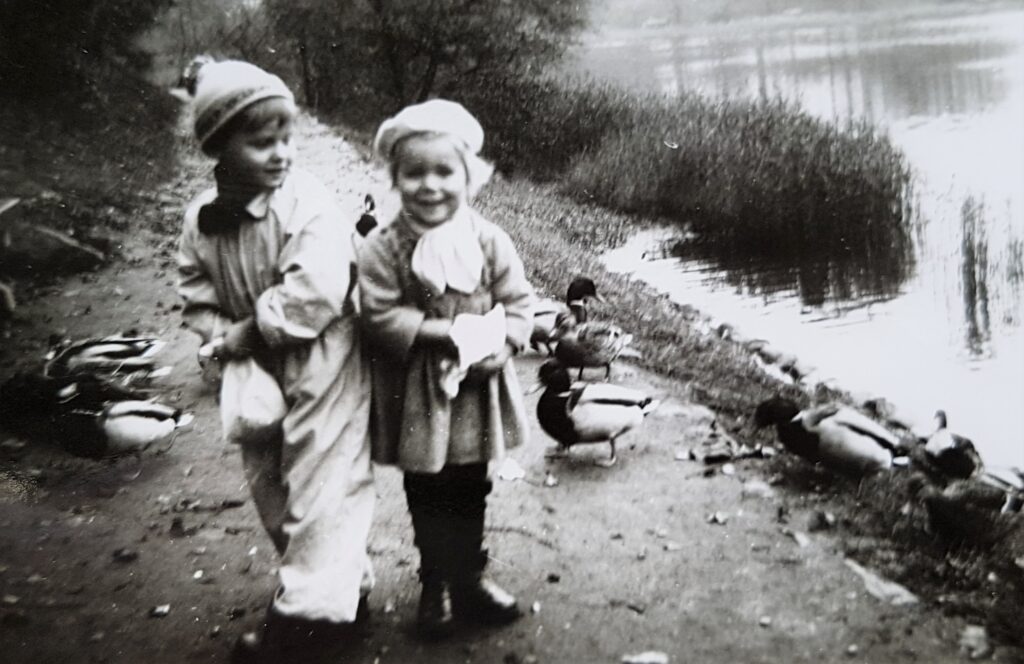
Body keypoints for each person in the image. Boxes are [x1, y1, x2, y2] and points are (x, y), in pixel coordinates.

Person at [176, 60, 374, 662]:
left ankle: (307, 616)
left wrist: (252, 328)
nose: (281, 153)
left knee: (323, 480)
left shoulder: (306, 202)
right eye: (263, 142)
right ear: (219, 145)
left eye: (287, 138)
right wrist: (218, 334)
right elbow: (195, 289)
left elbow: (317, 288)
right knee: (269, 481)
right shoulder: (202, 219)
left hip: (323, 358)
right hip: (255, 369)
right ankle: (343, 589)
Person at [357, 99, 533, 640]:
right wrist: (447, 332)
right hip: (419, 392)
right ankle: (435, 581)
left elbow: (519, 302)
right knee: (428, 486)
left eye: (444, 172)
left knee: (470, 483)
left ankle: (468, 578)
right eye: (414, 173)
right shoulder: (384, 246)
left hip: (477, 387)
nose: (430, 186)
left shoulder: (488, 240)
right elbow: (377, 315)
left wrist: (505, 345)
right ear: (394, 179)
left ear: (469, 177)